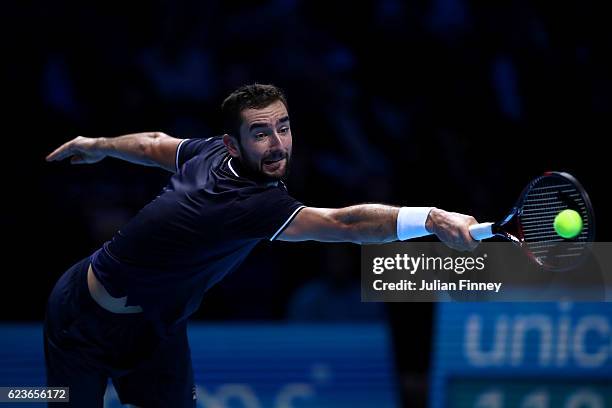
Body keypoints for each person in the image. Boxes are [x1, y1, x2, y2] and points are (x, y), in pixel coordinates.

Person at [44, 83, 478, 407]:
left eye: (283, 128)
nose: (277, 145)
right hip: (84, 323)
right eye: (261, 133)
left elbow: (154, 144)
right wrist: (432, 218)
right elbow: (344, 223)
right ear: (234, 143)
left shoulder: (216, 153)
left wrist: (97, 146)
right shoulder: (246, 203)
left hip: (157, 329)